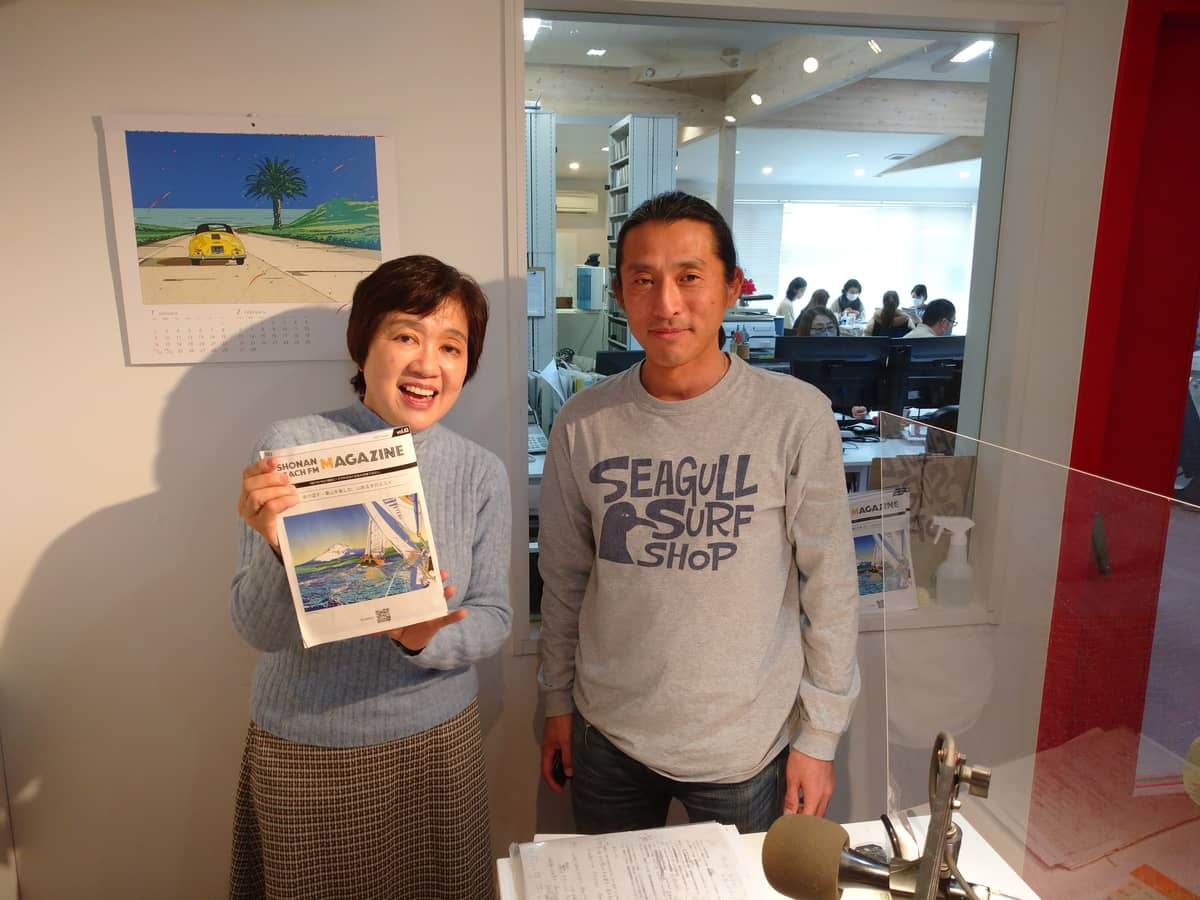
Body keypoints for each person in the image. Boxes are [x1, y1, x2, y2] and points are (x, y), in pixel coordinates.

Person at [537, 191, 860, 836]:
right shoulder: (583, 422)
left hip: (746, 744)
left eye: (689, 276)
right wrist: (556, 701)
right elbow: (565, 578)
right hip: (608, 734)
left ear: (732, 286)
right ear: (620, 294)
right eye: (643, 280)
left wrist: (820, 736)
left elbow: (830, 586)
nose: (666, 304)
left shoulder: (795, 416)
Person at [229, 255, 512, 899]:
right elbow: (259, 631)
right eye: (406, 335)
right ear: (364, 344)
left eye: (451, 346)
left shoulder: (480, 471)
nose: (428, 364)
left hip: (439, 744)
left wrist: (423, 638)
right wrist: (277, 550)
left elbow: (495, 616)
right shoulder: (294, 449)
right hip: (310, 747)